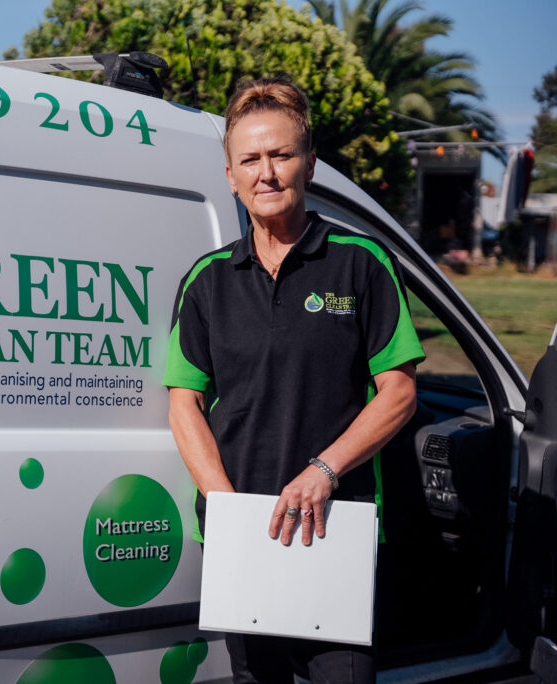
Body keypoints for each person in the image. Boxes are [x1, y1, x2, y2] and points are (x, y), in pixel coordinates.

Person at [163, 77, 425, 683]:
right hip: (241, 534)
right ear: (230, 175)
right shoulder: (207, 279)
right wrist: (225, 509)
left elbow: (400, 392)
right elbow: (185, 404)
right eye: (250, 159)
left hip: (334, 526)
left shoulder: (362, 262)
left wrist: (323, 472)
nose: (267, 173)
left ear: (309, 163)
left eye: (280, 155)